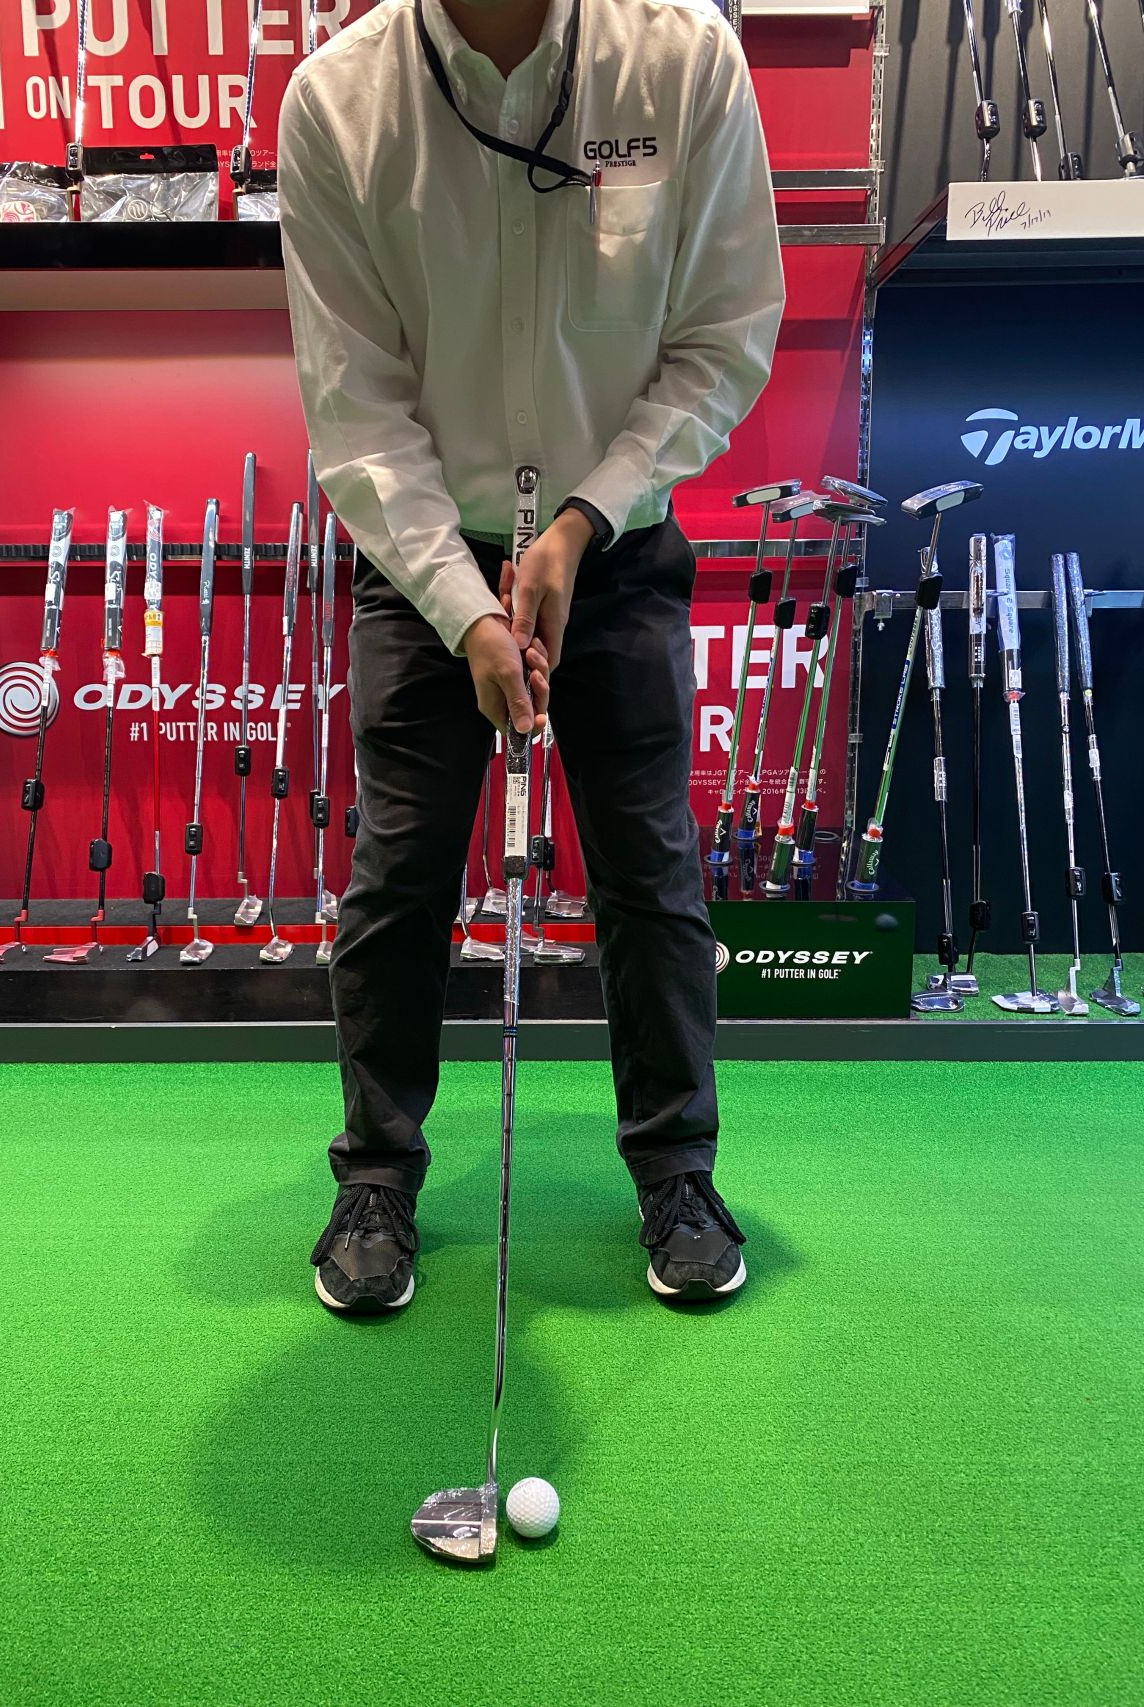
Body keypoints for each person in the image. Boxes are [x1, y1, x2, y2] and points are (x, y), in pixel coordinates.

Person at [278, 0, 784, 1311]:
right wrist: (467, 609)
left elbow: (723, 336)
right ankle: (375, 1173)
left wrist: (579, 521)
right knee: (400, 879)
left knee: (650, 875)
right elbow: (357, 407)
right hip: (421, 558)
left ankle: (677, 1168)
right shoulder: (338, 98)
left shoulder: (682, 58)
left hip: (616, 542)